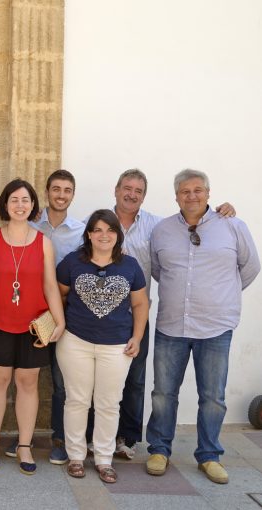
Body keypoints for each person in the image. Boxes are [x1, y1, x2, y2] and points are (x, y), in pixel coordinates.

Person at [107, 169, 234, 461]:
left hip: (136, 314)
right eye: (127, 188)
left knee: (137, 380)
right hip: (101, 315)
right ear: (116, 189)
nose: (131, 194)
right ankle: (96, 436)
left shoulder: (156, 226)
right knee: (102, 380)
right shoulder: (101, 221)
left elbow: (248, 266)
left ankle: (127, 439)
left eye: (138, 191)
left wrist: (222, 296)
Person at [145, 169, 259, 485]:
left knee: (213, 396)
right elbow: (158, 270)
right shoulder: (162, 230)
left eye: (198, 190)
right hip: (172, 325)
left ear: (208, 193)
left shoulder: (232, 226)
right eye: (185, 191)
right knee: (163, 394)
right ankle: (159, 449)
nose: (191, 196)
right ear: (176, 196)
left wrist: (222, 297)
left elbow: (250, 267)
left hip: (216, 327)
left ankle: (209, 456)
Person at [0, 179, 65, 475]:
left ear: (32, 205)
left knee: (28, 384)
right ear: (5, 204)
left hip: (33, 326)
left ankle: (25, 446)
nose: (19, 205)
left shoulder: (44, 243)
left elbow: (50, 286)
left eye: (25, 200)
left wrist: (60, 320)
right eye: (14, 199)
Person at [56, 209, 148, 484]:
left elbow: (140, 303)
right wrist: (61, 326)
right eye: (97, 230)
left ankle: (104, 459)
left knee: (109, 403)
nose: (103, 235)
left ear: (117, 235)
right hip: (75, 342)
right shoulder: (73, 263)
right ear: (88, 234)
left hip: (116, 346)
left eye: (109, 230)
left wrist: (138, 337)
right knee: (77, 400)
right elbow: (58, 294)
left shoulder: (130, 265)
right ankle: (75, 456)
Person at [17, 169, 85, 465]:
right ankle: (23, 439)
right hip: (28, 311)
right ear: (46, 192)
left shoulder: (82, 231)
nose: (61, 195)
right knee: (22, 376)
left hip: (65, 313)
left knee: (61, 380)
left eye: (67, 190)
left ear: (72, 194)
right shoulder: (29, 226)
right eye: (56, 189)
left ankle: (61, 439)